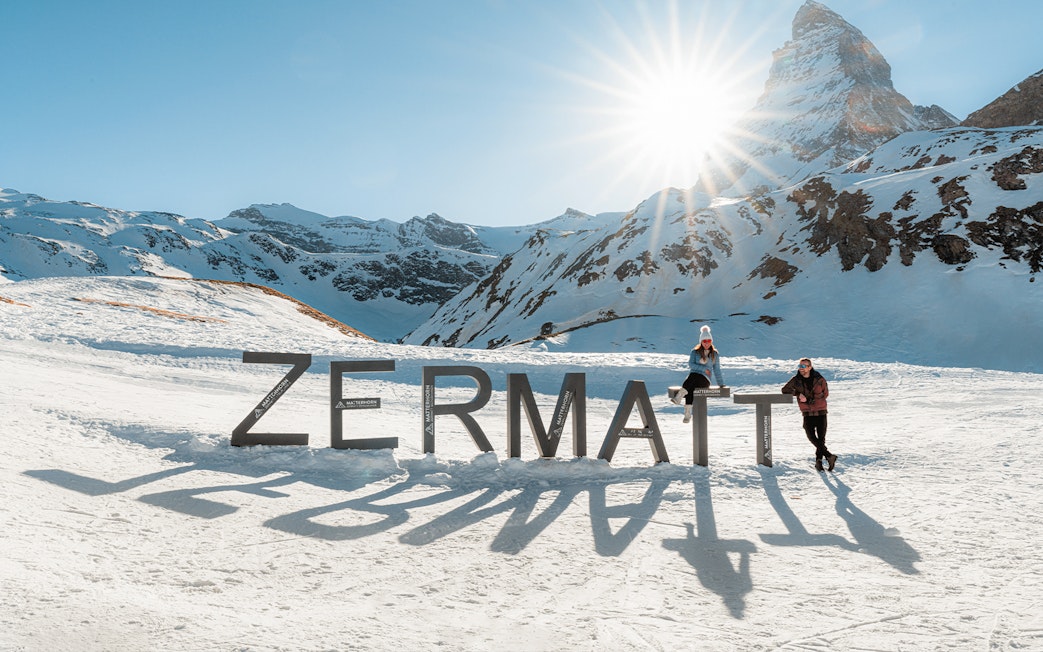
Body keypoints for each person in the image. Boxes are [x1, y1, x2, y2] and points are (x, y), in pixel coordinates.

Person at [781, 357, 836, 471]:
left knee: (821, 439)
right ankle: (829, 456)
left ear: (810, 367)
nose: (801, 368)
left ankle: (819, 462)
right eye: (800, 366)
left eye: (803, 366)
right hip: (807, 413)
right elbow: (784, 390)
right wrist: (797, 393)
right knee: (811, 436)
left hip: (821, 412)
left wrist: (815, 401)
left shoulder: (819, 379)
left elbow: (825, 393)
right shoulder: (796, 380)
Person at [677, 325, 725, 423]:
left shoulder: (714, 354)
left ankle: (680, 395)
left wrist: (721, 384)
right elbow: (691, 364)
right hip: (693, 379)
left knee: (694, 377)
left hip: (704, 380)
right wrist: (703, 368)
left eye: (709, 341)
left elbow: (716, 369)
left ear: (711, 341)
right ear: (701, 342)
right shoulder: (694, 352)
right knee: (690, 386)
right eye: (704, 341)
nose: (707, 343)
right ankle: (687, 413)